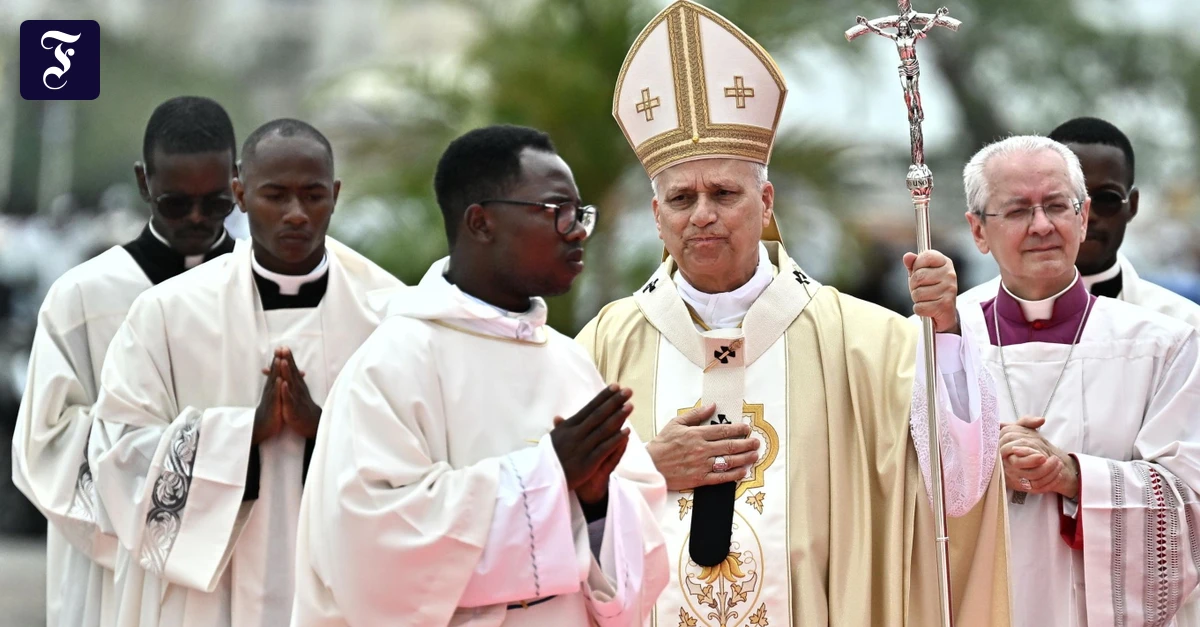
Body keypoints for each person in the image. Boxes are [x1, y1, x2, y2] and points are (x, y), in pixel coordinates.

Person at [578, 1, 1011, 624]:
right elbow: (549, 507)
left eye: (724, 192)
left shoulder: (865, 342)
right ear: (656, 216)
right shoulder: (604, 344)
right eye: (681, 198)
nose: (703, 215)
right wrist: (645, 468)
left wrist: (944, 335)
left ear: (765, 201)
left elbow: (957, 482)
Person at [291, 125, 668, 626]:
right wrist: (549, 473)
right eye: (557, 211)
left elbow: (642, 534)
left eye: (581, 214)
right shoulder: (393, 363)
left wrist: (598, 501)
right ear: (481, 222)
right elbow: (369, 549)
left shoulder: (569, 361)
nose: (577, 230)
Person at [88, 118, 401, 627]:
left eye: (313, 195)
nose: (296, 213)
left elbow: (424, 457)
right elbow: (117, 451)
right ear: (240, 193)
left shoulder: (389, 313)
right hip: (209, 595)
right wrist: (244, 432)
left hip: (340, 581)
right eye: (275, 195)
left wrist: (323, 426)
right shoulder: (167, 313)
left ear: (336, 195)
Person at [11, 95, 239, 627]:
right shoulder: (83, 297)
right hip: (111, 565)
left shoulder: (256, 289)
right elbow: (43, 443)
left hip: (230, 555)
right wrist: (159, 458)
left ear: (238, 183)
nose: (198, 219)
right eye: (176, 204)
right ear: (144, 182)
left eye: (216, 203)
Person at [956, 135, 1200, 626]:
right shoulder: (939, 341)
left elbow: (1191, 504)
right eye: (1018, 210)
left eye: (1056, 206)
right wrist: (976, 459)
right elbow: (891, 491)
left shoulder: (1166, 345)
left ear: (1082, 217)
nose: (1042, 225)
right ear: (979, 230)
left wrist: (1072, 476)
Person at [961, 117, 1200, 329]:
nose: (1089, 214)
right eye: (1019, 211)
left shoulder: (1183, 326)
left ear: (1133, 205)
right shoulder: (963, 323)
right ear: (979, 230)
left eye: (1107, 199)